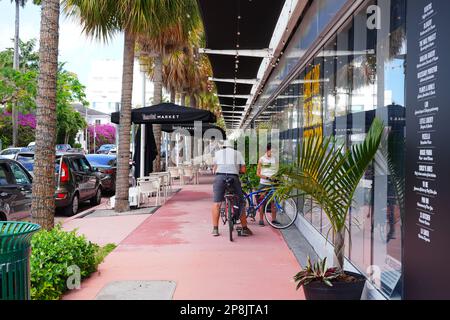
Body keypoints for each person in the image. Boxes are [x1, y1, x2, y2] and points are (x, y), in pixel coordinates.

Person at [211, 140, 253, 237]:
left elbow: (214, 168)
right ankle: (245, 228)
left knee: (217, 203)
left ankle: (215, 229)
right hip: (233, 178)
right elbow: (243, 169)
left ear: (223, 146)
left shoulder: (218, 153)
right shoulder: (238, 153)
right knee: (240, 202)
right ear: (232, 147)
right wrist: (238, 171)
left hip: (220, 178)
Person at [256, 143, 279, 226]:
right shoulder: (261, 159)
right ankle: (261, 220)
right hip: (263, 184)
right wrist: (266, 177)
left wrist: (276, 178)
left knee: (274, 202)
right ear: (267, 150)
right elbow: (258, 173)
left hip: (273, 184)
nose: (273, 153)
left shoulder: (275, 159)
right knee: (262, 201)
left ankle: (274, 219)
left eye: (274, 151)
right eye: (272, 151)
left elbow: (277, 171)